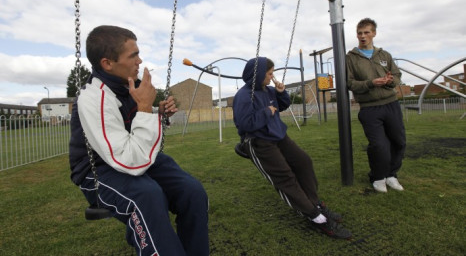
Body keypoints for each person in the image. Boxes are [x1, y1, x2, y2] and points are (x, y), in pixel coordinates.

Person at [69, 25, 209, 256]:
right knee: (148, 196)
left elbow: (131, 128)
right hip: (99, 169)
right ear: (107, 63)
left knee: (192, 191)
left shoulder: (126, 87)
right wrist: (144, 108)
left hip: (132, 155)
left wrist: (156, 112)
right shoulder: (93, 98)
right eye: (133, 55)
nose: (140, 60)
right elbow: (129, 161)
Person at [233, 57, 352, 239]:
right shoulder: (243, 96)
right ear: (257, 76)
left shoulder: (269, 90)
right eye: (270, 74)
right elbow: (244, 124)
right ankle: (316, 218)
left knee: (303, 162)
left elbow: (282, 106)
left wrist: (281, 93)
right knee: (285, 177)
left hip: (279, 137)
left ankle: (314, 203)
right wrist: (266, 112)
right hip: (259, 142)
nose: (273, 77)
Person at [346, 18, 406, 193]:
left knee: (399, 141)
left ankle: (391, 175)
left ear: (374, 33)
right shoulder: (351, 58)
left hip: (391, 104)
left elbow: (397, 75)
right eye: (359, 33)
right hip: (370, 108)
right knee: (379, 145)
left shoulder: (384, 55)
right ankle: (378, 177)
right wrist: (371, 83)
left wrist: (390, 80)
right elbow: (349, 83)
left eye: (366, 32)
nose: (363, 36)